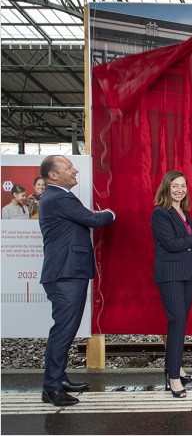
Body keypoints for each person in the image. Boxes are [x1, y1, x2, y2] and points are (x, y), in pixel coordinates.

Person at [38, 156, 115, 406]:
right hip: (65, 274)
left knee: (66, 329)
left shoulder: (56, 197)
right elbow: (93, 220)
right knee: (63, 330)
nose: (75, 170)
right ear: (53, 175)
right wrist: (110, 213)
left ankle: (58, 379)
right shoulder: (59, 197)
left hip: (69, 272)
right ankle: (51, 387)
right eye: (69, 168)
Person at [151, 170, 192, 398]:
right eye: (175, 186)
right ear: (166, 189)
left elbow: (188, 244)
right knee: (177, 321)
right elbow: (171, 244)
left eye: (183, 186)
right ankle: (173, 378)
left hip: (188, 273)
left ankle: (176, 367)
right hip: (171, 274)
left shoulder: (183, 212)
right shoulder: (160, 214)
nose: (180, 190)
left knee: (180, 323)